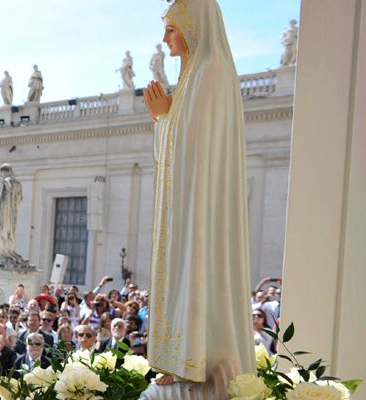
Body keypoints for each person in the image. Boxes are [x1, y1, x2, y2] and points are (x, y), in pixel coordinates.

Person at [142, 0, 255, 394]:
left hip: (199, 208)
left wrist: (163, 118)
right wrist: (167, 118)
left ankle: (195, 359)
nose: (165, 37)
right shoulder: (193, 75)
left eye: (171, 28)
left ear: (193, 27)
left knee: (196, 268)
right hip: (186, 205)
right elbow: (181, 144)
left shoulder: (212, 71)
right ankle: (179, 359)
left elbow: (194, 146)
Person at [0, 163, 25, 266]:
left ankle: (2, 251)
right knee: (10, 233)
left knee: (2, 231)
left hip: (4, 214)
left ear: (6, 172)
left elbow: (1, 198)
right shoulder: (17, 183)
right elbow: (20, 198)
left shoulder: (6, 182)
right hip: (13, 213)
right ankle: (9, 250)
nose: (3, 175)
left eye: (3, 173)